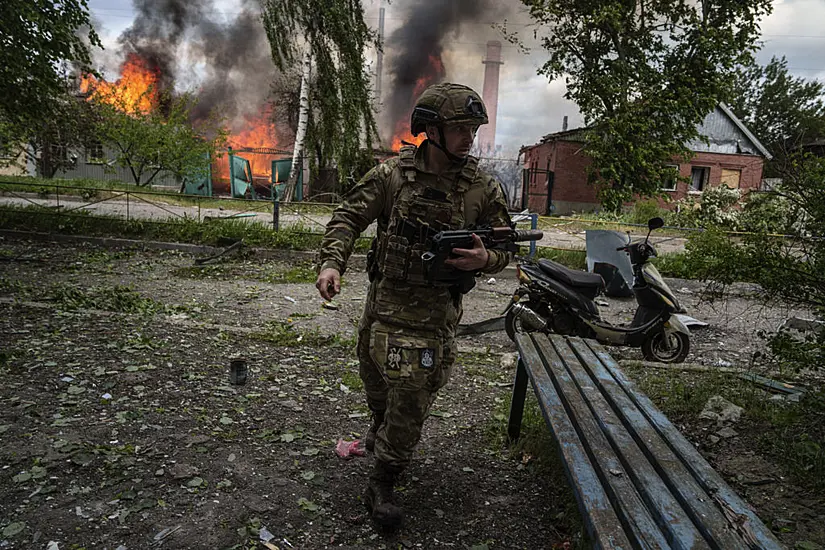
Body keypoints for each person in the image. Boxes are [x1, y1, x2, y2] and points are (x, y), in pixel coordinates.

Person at [315, 83, 512, 528]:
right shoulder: (393, 175)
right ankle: (379, 428)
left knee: (411, 397)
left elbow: (507, 246)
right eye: (459, 128)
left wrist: (486, 258)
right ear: (431, 130)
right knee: (376, 381)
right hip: (383, 307)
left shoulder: (482, 187)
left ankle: (383, 481)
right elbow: (349, 216)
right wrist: (332, 264)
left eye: (473, 129)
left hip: (434, 317)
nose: (468, 137)